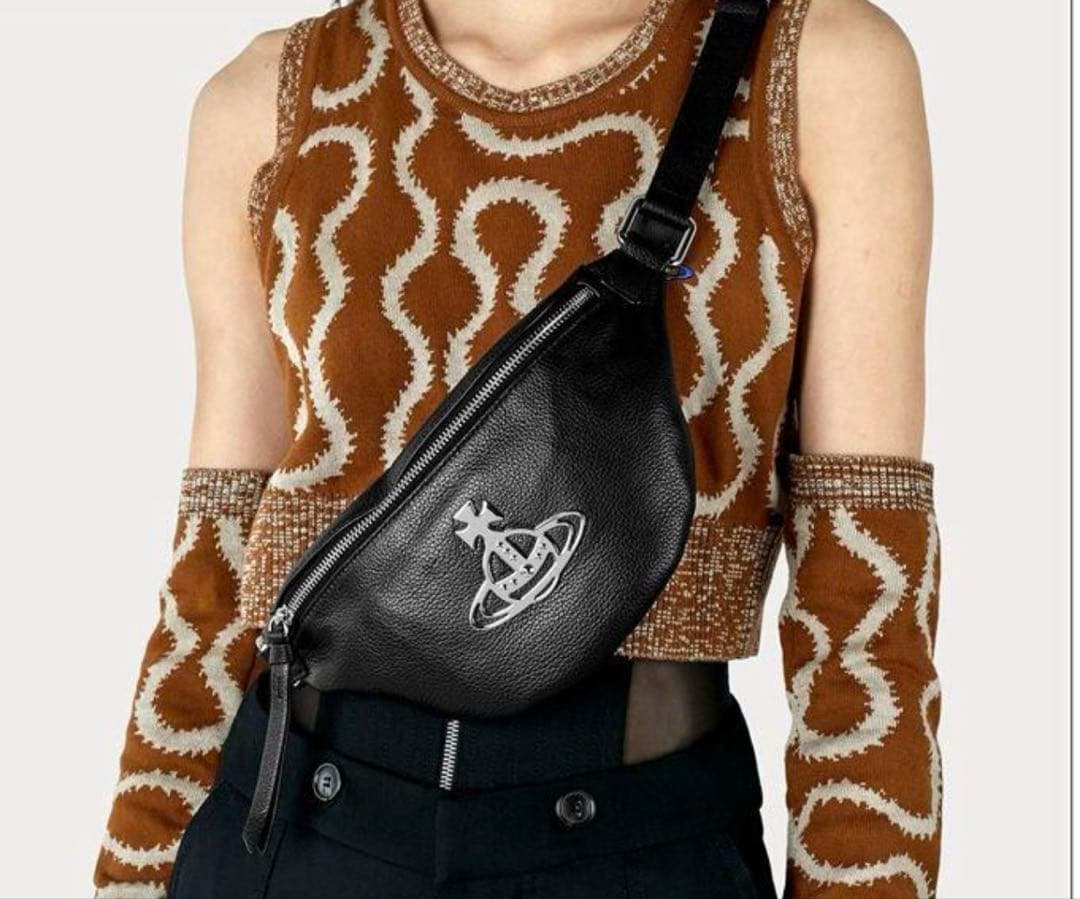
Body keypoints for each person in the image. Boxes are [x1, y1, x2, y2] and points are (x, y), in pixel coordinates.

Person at [94, 0, 941, 896]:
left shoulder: (815, 68)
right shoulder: (271, 96)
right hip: (286, 830)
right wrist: (132, 874)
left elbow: (865, 603)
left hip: (635, 845)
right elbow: (215, 579)